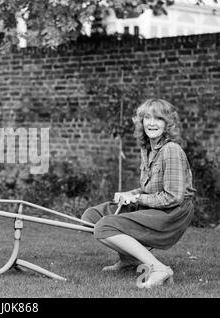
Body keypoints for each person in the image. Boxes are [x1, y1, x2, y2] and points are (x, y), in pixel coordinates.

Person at [81, 98, 195, 289]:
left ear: (167, 124)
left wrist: (137, 198)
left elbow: (174, 196)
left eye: (158, 118)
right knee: (91, 216)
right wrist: (130, 193)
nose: (151, 123)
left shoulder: (171, 150)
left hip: (172, 213)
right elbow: (149, 189)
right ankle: (129, 260)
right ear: (141, 122)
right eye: (147, 118)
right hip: (156, 205)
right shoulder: (148, 148)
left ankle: (159, 269)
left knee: (104, 227)